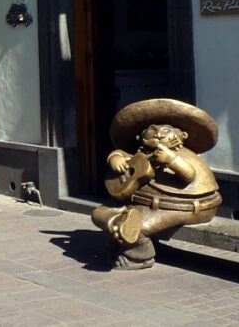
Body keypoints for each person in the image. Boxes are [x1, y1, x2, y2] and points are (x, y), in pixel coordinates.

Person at [91, 98, 220, 269]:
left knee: (140, 226)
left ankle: (140, 256)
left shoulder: (182, 154)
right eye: (152, 130)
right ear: (140, 137)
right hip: (144, 204)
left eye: (166, 130)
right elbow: (122, 154)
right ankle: (118, 231)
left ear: (183, 135)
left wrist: (171, 159)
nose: (159, 134)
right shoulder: (142, 153)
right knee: (99, 213)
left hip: (183, 207)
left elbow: (189, 175)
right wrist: (114, 158)